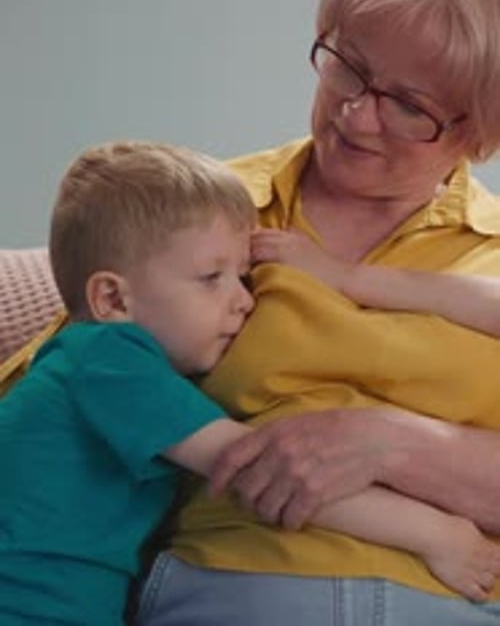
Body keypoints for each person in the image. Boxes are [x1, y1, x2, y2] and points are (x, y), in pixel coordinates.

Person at [135, 0, 500, 626]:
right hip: (231, 589)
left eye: (406, 104)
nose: (357, 116)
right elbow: (73, 388)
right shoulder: (201, 210)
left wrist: (397, 445)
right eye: (350, 69)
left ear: (479, 129)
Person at [2, 144, 499, 626]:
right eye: (211, 278)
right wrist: (438, 535)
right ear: (112, 298)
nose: (244, 301)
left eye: (243, 276)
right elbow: (259, 469)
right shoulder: (106, 364)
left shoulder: (106, 367)